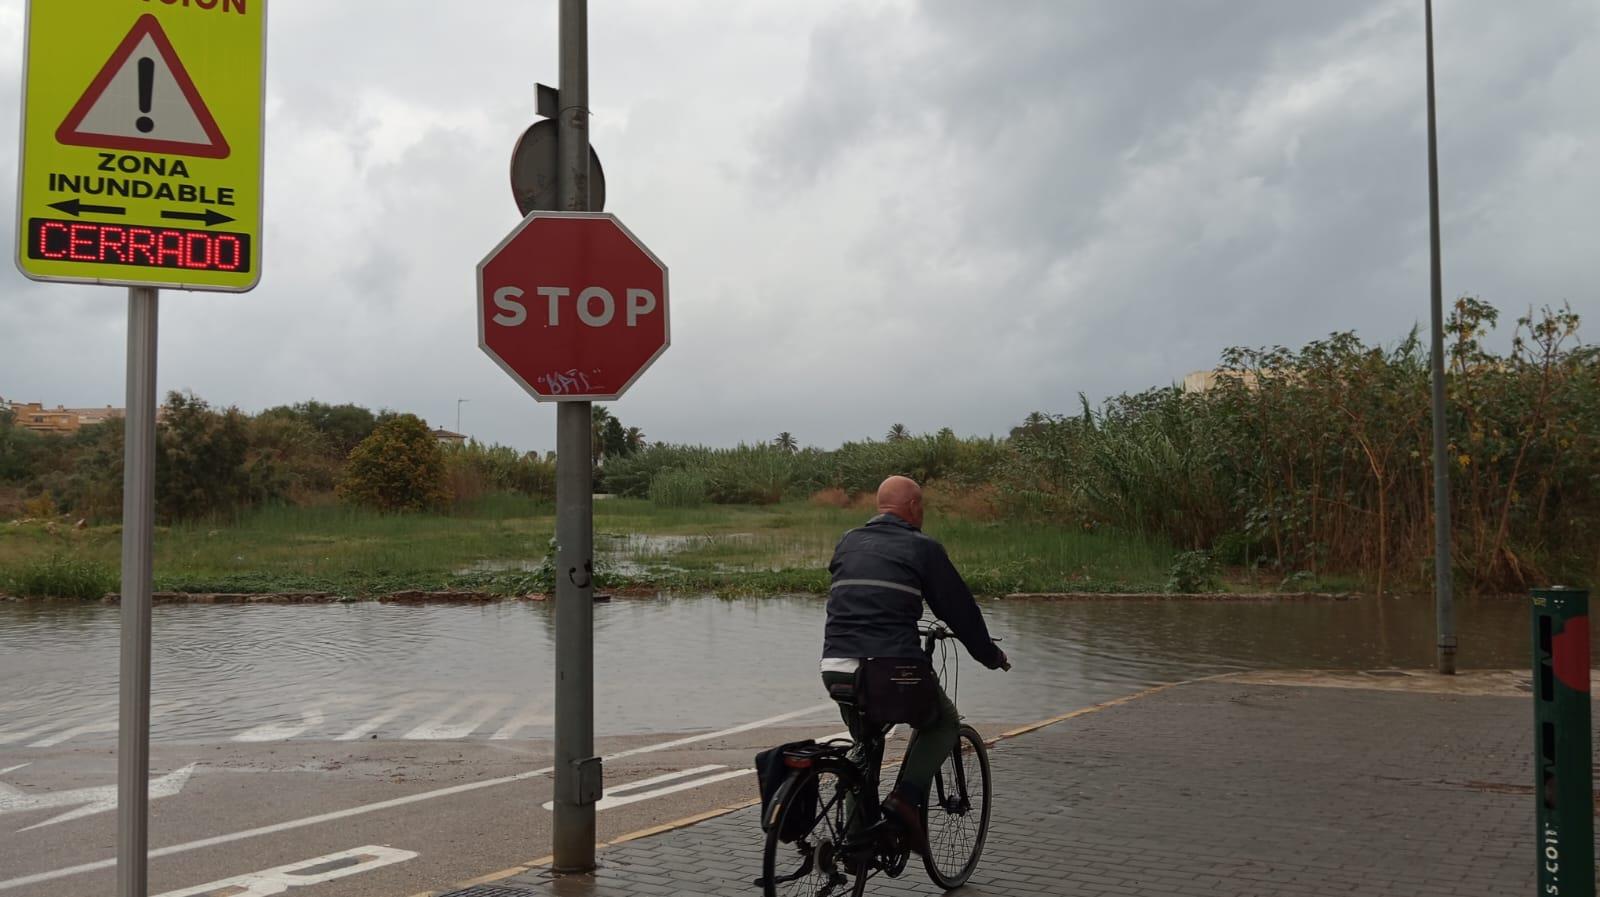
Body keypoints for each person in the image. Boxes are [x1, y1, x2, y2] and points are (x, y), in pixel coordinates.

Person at [820, 475, 1009, 856]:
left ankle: (857, 845)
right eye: (922, 507)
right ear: (914, 508)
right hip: (890, 668)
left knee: (867, 745)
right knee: (943, 722)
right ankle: (905, 800)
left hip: (836, 666)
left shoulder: (848, 541)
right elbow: (960, 611)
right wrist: (989, 656)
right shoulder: (922, 548)